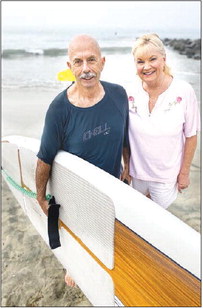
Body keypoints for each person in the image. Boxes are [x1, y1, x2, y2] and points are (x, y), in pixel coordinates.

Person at [35, 34, 129, 287]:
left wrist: (127, 166)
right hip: (76, 193)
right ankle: (71, 264)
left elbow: (124, 134)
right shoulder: (59, 109)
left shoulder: (119, 94)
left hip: (111, 185)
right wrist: (40, 196)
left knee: (106, 234)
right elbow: (45, 157)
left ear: (102, 62)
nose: (86, 69)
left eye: (91, 60)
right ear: (69, 67)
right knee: (76, 234)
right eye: (78, 62)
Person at [126, 33, 200, 209]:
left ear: (164, 59)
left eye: (153, 59)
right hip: (135, 177)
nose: (147, 66)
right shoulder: (128, 92)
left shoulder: (184, 91)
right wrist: (126, 166)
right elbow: (123, 135)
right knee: (136, 224)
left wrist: (184, 173)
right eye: (140, 61)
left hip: (166, 179)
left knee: (156, 228)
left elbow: (191, 136)